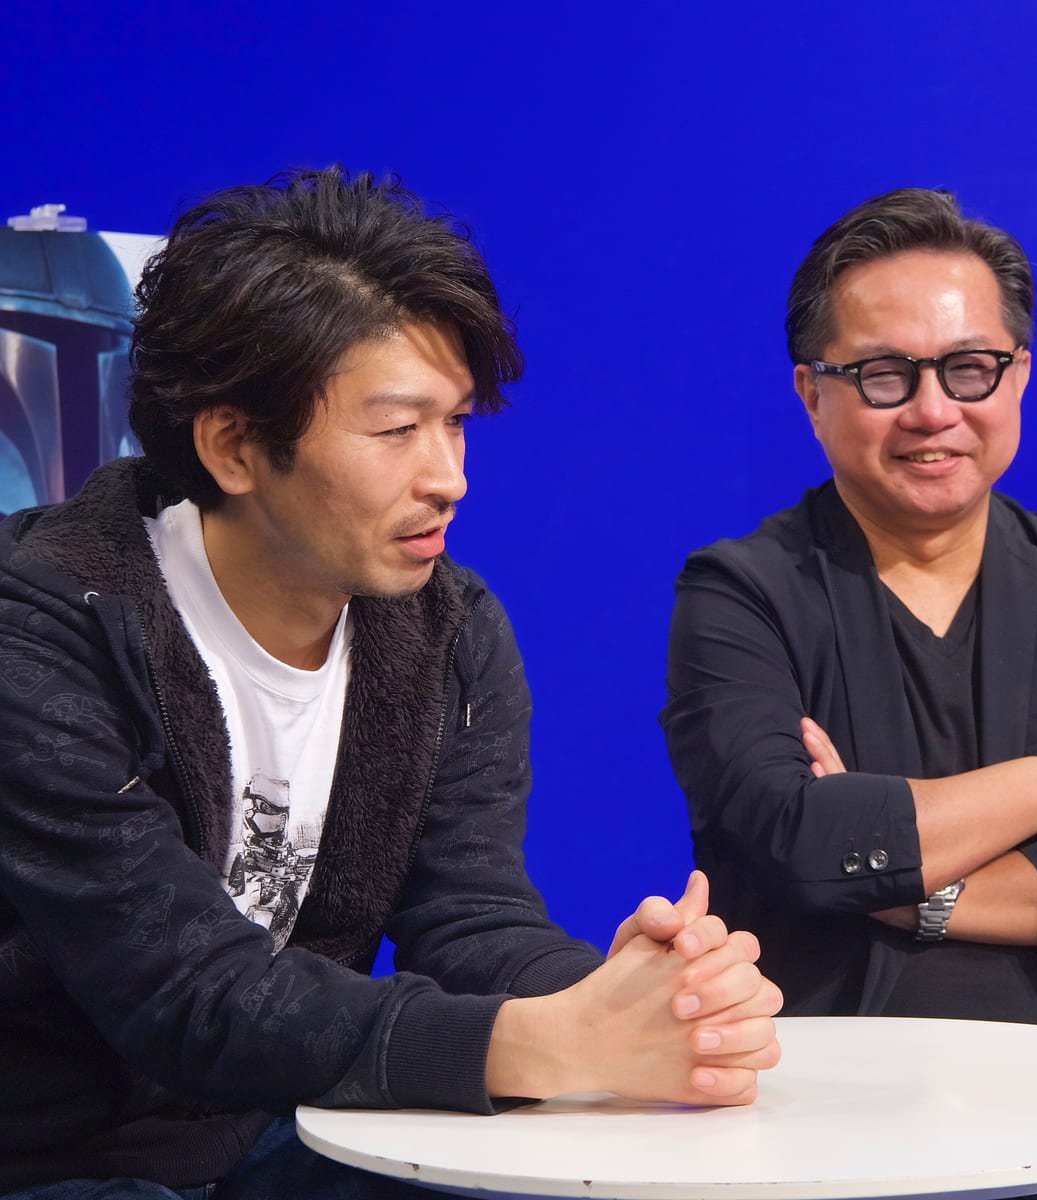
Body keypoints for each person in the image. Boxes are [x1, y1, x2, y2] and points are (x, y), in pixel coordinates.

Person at [0, 167, 782, 1198]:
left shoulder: (447, 629)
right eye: (398, 430)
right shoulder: (44, 627)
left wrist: (617, 997)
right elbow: (182, 991)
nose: (450, 476)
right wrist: (545, 1044)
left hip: (267, 1134)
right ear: (234, 446)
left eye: (456, 423)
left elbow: (469, 917)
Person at [662, 188, 1037, 1197]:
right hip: (823, 1089)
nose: (933, 410)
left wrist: (914, 894)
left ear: (1017, 375)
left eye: (969, 368)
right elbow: (799, 842)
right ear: (811, 393)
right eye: (883, 374)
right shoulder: (741, 593)